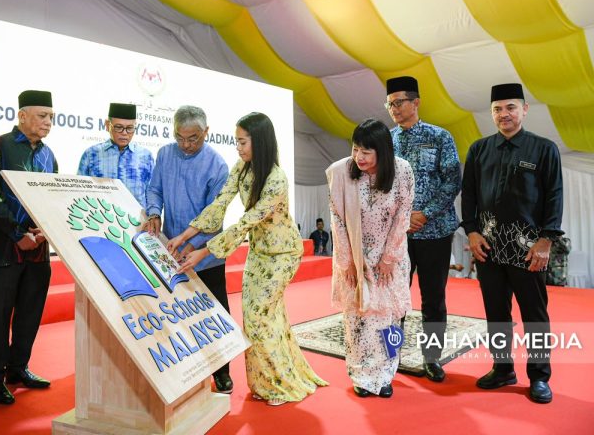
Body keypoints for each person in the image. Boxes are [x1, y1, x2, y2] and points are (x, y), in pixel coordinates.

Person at [167, 112, 328, 406]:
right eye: (236, 142)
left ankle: (277, 385)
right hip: (258, 252)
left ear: (260, 141)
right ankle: (277, 378)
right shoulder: (241, 167)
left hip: (282, 254)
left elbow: (246, 222)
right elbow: (219, 205)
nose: (238, 148)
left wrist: (204, 250)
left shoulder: (276, 179)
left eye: (242, 142)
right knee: (269, 317)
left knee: (258, 320)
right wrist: (185, 235)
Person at [461, 83, 563, 404]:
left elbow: (554, 196)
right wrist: (473, 232)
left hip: (528, 248)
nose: (503, 114)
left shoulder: (544, 149)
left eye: (510, 108)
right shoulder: (479, 149)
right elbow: (470, 195)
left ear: (524, 110)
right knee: (496, 312)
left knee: (534, 313)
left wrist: (546, 240)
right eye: (497, 109)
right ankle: (503, 368)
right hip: (488, 248)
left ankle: (539, 376)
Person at [144, 105, 232, 393]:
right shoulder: (165, 154)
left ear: (206, 132)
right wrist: (154, 212)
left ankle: (221, 372)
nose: (185, 144)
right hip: (169, 250)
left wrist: (192, 245)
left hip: (205, 256)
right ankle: (182, 374)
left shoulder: (217, 165)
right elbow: (154, 188)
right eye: (180, 137)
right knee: (175, 315)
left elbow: (214, 217)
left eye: (193, 138)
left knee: (214, 314)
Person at [326, 119, 414, 398]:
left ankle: (387, 373)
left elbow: (403, 216)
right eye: (355, 149)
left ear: (382, 151)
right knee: (357, 320)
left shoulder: (402, 171)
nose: (358, 157)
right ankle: (361, 374)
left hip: (391, 257)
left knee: (389, 319)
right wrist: (347, 262)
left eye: (366, 151)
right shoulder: (342, 173)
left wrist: (390, 257)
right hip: (354, 257)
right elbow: (337, 220)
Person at [0, 90, 58, 405]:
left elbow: (52, 193)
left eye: (51, 117)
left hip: (38, 245)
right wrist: (16, 233)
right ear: (22, 115)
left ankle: (18, 368)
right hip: (4, 244)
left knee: (30, 311)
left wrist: (42, 232)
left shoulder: (48, 153)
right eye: (42, 116)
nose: (48, 122)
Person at [385, 76, 461, 382]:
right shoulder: (385, 140)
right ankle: (390, 358)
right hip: (396, 235)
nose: (394, 109)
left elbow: (452, 181)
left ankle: (432, 358)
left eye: (399, 102)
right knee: (393, 299)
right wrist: (402, 218)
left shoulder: (440, 137)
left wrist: (424, 214)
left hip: (435, 232)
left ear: (415, 102)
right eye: (389, 104)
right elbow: (379, 184)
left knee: (433, 298)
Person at [77, 102, 154, 209]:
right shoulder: (91, 154)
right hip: (100, 221)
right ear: (107, 125)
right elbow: (79, 192)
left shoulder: (145, 156)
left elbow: (152, 194)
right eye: (118, 127)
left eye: (130, 128)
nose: (124, 133)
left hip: (137, 223)